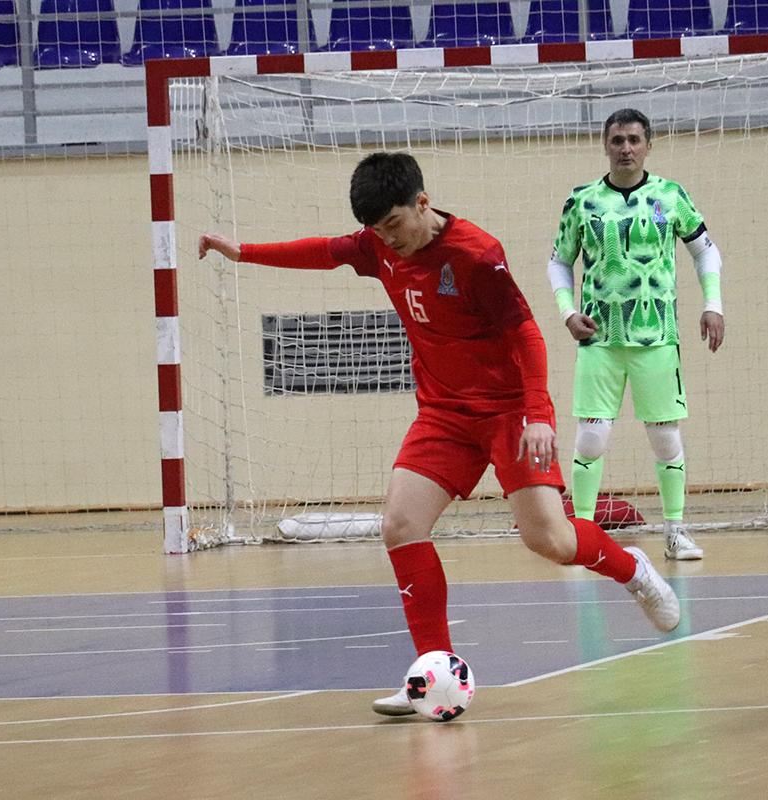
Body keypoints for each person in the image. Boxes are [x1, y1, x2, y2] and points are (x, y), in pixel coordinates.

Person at [199, 151, 679, 717]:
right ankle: (433, 672)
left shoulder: (476, 256)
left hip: (508, 412)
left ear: (422, 203)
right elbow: (324, 252)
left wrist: (537, 413)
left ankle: (634, 571)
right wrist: (243, 252)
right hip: (443, 415)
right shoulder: (378, 245)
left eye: (393, 224)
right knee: (400, 526)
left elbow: (527, 336)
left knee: (550, 540)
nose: (387, 239)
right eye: (376, 231)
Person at [547, 108, 725, 561]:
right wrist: (568, 313)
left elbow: (706, 252)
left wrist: (713, 305)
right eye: (617, 140)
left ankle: (675, 532)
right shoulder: (582, 200)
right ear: (605, 145)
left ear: (648, 144)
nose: (625, 148)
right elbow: (559, 261)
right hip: (599, 341)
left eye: (633, 140)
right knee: (591, 438)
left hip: (657, 339)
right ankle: (582, 535)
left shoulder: (670, 195)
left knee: (665, 437)